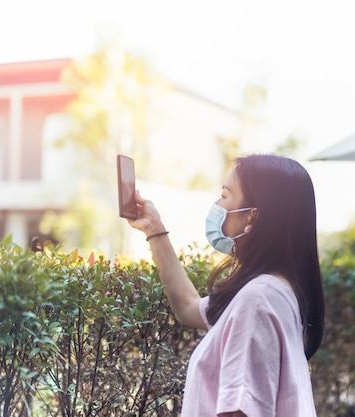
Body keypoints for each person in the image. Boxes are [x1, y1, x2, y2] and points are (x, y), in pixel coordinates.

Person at [127, 153, 325, 417]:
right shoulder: (276, 290)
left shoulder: (258, 300)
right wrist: (154, 227)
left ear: (253, 216)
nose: (217, 204)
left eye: (225, 194)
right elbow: (188, 307)